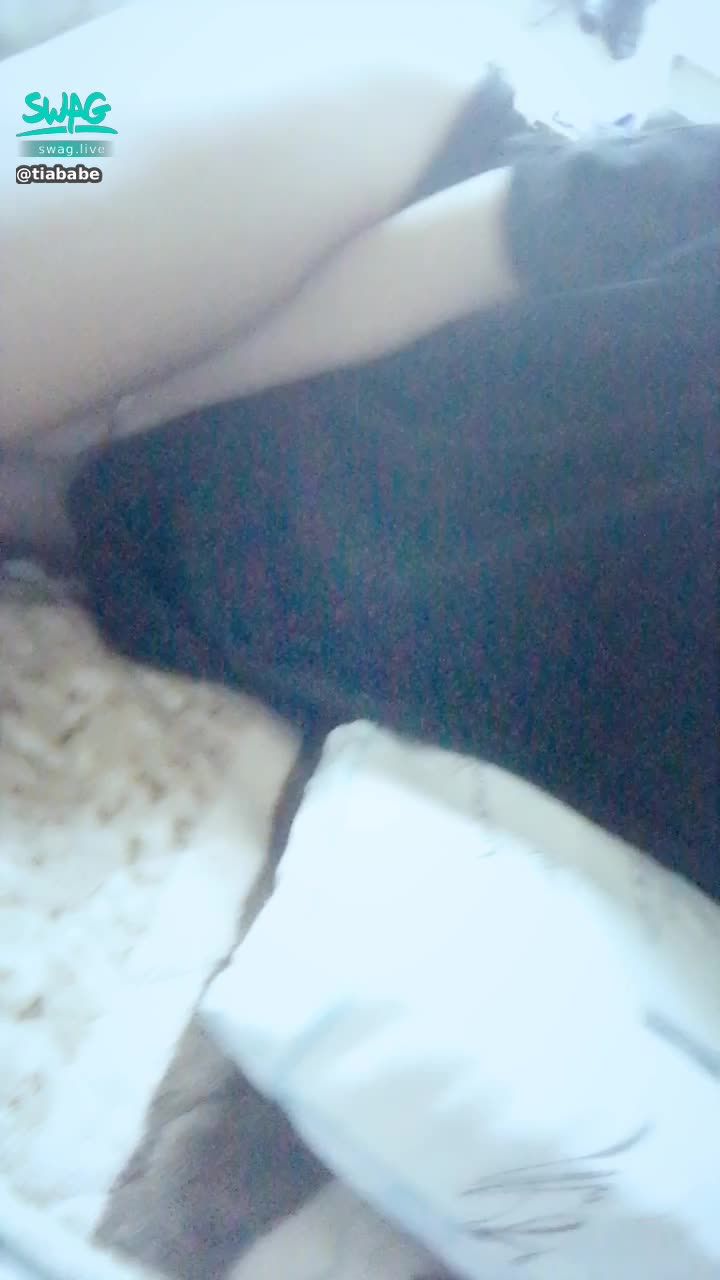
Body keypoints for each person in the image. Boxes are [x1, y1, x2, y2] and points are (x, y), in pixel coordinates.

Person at [64, 113, 720, 900]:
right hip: (374, 242)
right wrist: (137, 421)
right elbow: (502, 231)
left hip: (289, 544)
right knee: (61, 150)